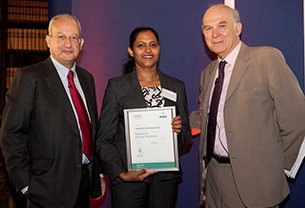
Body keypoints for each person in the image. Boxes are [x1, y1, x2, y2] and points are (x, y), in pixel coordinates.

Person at [190, 4, 305, 208]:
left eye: (222, 25)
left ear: (238, 28)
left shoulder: (266, 58)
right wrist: (170, 124)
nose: (214, 34)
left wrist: (280, 168)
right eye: (208, 28)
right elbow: (207, 115)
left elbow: (297, 116)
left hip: (257, 181)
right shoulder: (207, 73)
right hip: (214, 179)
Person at [0, 14, 105, 207]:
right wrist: (25, 185)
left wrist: (96, 173)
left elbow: (90, 130)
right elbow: (11, 135)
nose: (68, 43)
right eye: (61, 36)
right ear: (48, 41)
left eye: (73, 37)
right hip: (45, 189)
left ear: (81, 43)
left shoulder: (87, 78)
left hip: (83, 185)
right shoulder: (29, 77)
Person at [96, 26, 192, 208]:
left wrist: (178, 133)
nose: (148, 50)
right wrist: (121, 173)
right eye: (141, 45)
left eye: (153, 45)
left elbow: (186, 138)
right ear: (131, 51)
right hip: (129, 178)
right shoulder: (117, 87)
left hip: (165, 180)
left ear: (159, 48)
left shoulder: (176, 87)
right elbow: (103, 140)